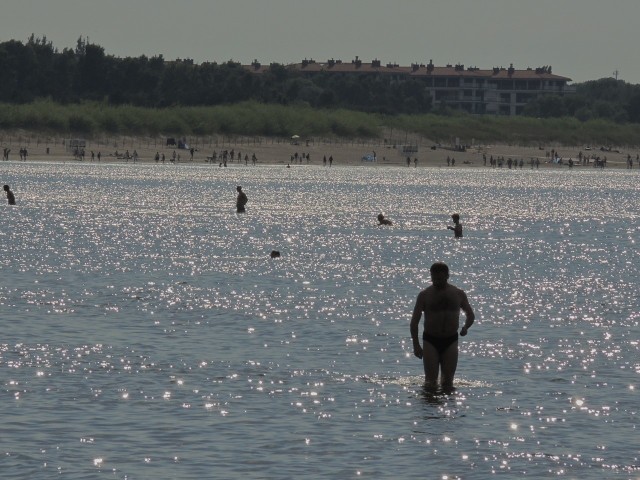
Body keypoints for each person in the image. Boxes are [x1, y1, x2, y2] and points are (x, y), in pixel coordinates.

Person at [410, 262, 475, 390]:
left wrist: (466, 327)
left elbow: (470, 315)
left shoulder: (458, 294)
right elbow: (414, 322)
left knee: (448, 383)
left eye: (439, 279)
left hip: (450, 340)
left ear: (447, 276)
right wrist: (416, 345)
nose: (436, 282)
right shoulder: (424, 295)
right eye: (433, 278)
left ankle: (448, 406)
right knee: (430, 383)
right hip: (430, 340)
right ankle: (429, 407)